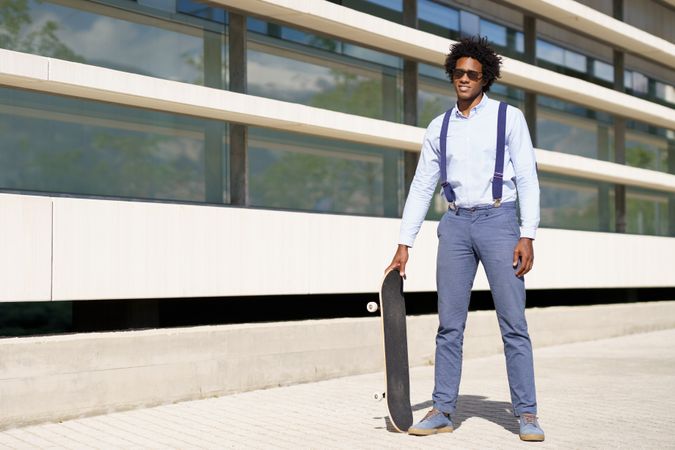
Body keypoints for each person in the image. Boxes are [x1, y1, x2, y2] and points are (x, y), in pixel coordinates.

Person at [386, 36, 544, 442]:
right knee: (449, 326)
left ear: (485, 77)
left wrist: (527, 234)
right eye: (458, 72)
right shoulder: (439, 127)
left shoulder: (509, 118)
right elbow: (422, 186)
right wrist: (405, 244)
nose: (464, 79)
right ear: (451, 75)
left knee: (513, 324)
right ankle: (442, 409)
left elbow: (526, 177)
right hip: (454, 224)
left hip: (500, 221)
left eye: (473, 74)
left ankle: (526, 413)